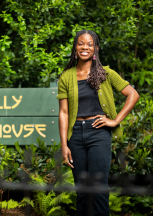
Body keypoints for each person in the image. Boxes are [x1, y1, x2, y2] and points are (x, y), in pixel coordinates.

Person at [57, 29, 140, 215]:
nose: (84, 47)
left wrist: (115, 120)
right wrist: (64, 145)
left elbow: (132, 95)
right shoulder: (66, 76)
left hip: (98, 133)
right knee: (82, 190)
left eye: (89, 44)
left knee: (98, 187)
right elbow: (63, 112)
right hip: (76, 134)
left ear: (95, 48)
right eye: (80, 43)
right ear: (75, 47)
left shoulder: (106, 73)